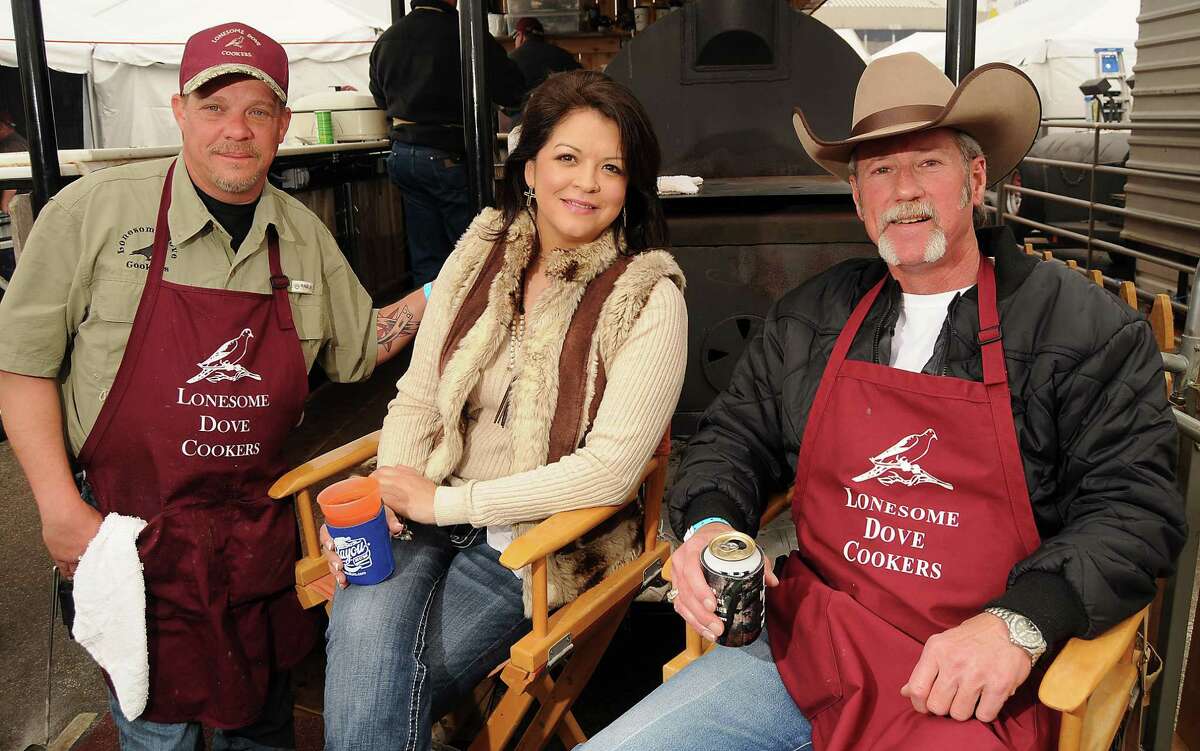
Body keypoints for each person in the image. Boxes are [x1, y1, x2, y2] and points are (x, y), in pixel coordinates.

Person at [583, 53, 1186, 751]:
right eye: (879, 169)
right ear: (857, 196)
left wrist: (1019, 623)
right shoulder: (812, 315)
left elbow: (1133, 510)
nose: (905, 189)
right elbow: (730, 438)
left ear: (976, 177)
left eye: (928, 163)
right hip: (806, 650)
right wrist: (711, 529)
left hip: (968, 684)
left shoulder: (1084, 328)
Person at [0, 22, 422, 749]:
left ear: (283, 124)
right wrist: (58, 506)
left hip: (255, 540)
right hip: (129, 535)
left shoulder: (304, 236)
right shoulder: (94, 212)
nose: (236, 130)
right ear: (179, 111)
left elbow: (359, 350)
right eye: (215, 106)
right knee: (156, 729)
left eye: (258, 110)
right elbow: (22, 366)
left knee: (258, 723)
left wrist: (448, 290)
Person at [321, 69, 687, 751]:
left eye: (611, 167)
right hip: (425, 506)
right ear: (528, 167)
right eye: (568, 158)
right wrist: (390, 498)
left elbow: (610, 472)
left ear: (630, 185)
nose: (586, 183)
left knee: (374, 680)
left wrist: (444, 504)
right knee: (371, 669)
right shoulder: (484, 246)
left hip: (532, 548)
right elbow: (419, 393)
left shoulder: (647, 295)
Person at [369, 0, 525, 287]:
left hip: (403, 155)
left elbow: (379, 97)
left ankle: (430, 328)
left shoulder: (388, 38)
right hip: (448, 155)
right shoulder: (464, 33)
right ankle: (471, 325)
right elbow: (512, 89)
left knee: (426, 258)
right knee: (472, 252)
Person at [510, 17, 582, 99]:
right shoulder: (563, 55)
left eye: (515, 37)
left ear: (521, 35)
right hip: (558, 107)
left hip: (524, 110)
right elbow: (581, 80)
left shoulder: (512, 58)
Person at [0, 111, 29, 215]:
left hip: (20, 205)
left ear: (2, 126)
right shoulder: (18, 141)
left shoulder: (12, 146)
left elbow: (13, 178)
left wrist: (5, 205)